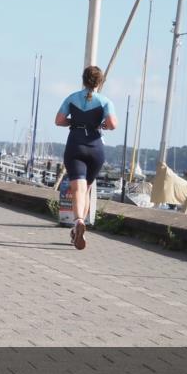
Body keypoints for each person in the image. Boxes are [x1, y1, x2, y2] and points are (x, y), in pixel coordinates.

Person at [55, 66, 117, 250]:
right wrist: (101, 125)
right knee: (87, 189)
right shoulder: (105, 101)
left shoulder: (72, 98)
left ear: (83, 80)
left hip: (75, 143)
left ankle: (78, 221)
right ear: (100, 82)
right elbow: (112, 124)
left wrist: (73, 121)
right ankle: (79, 227)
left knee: (77, 189)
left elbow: (58, 120)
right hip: (95, 146)